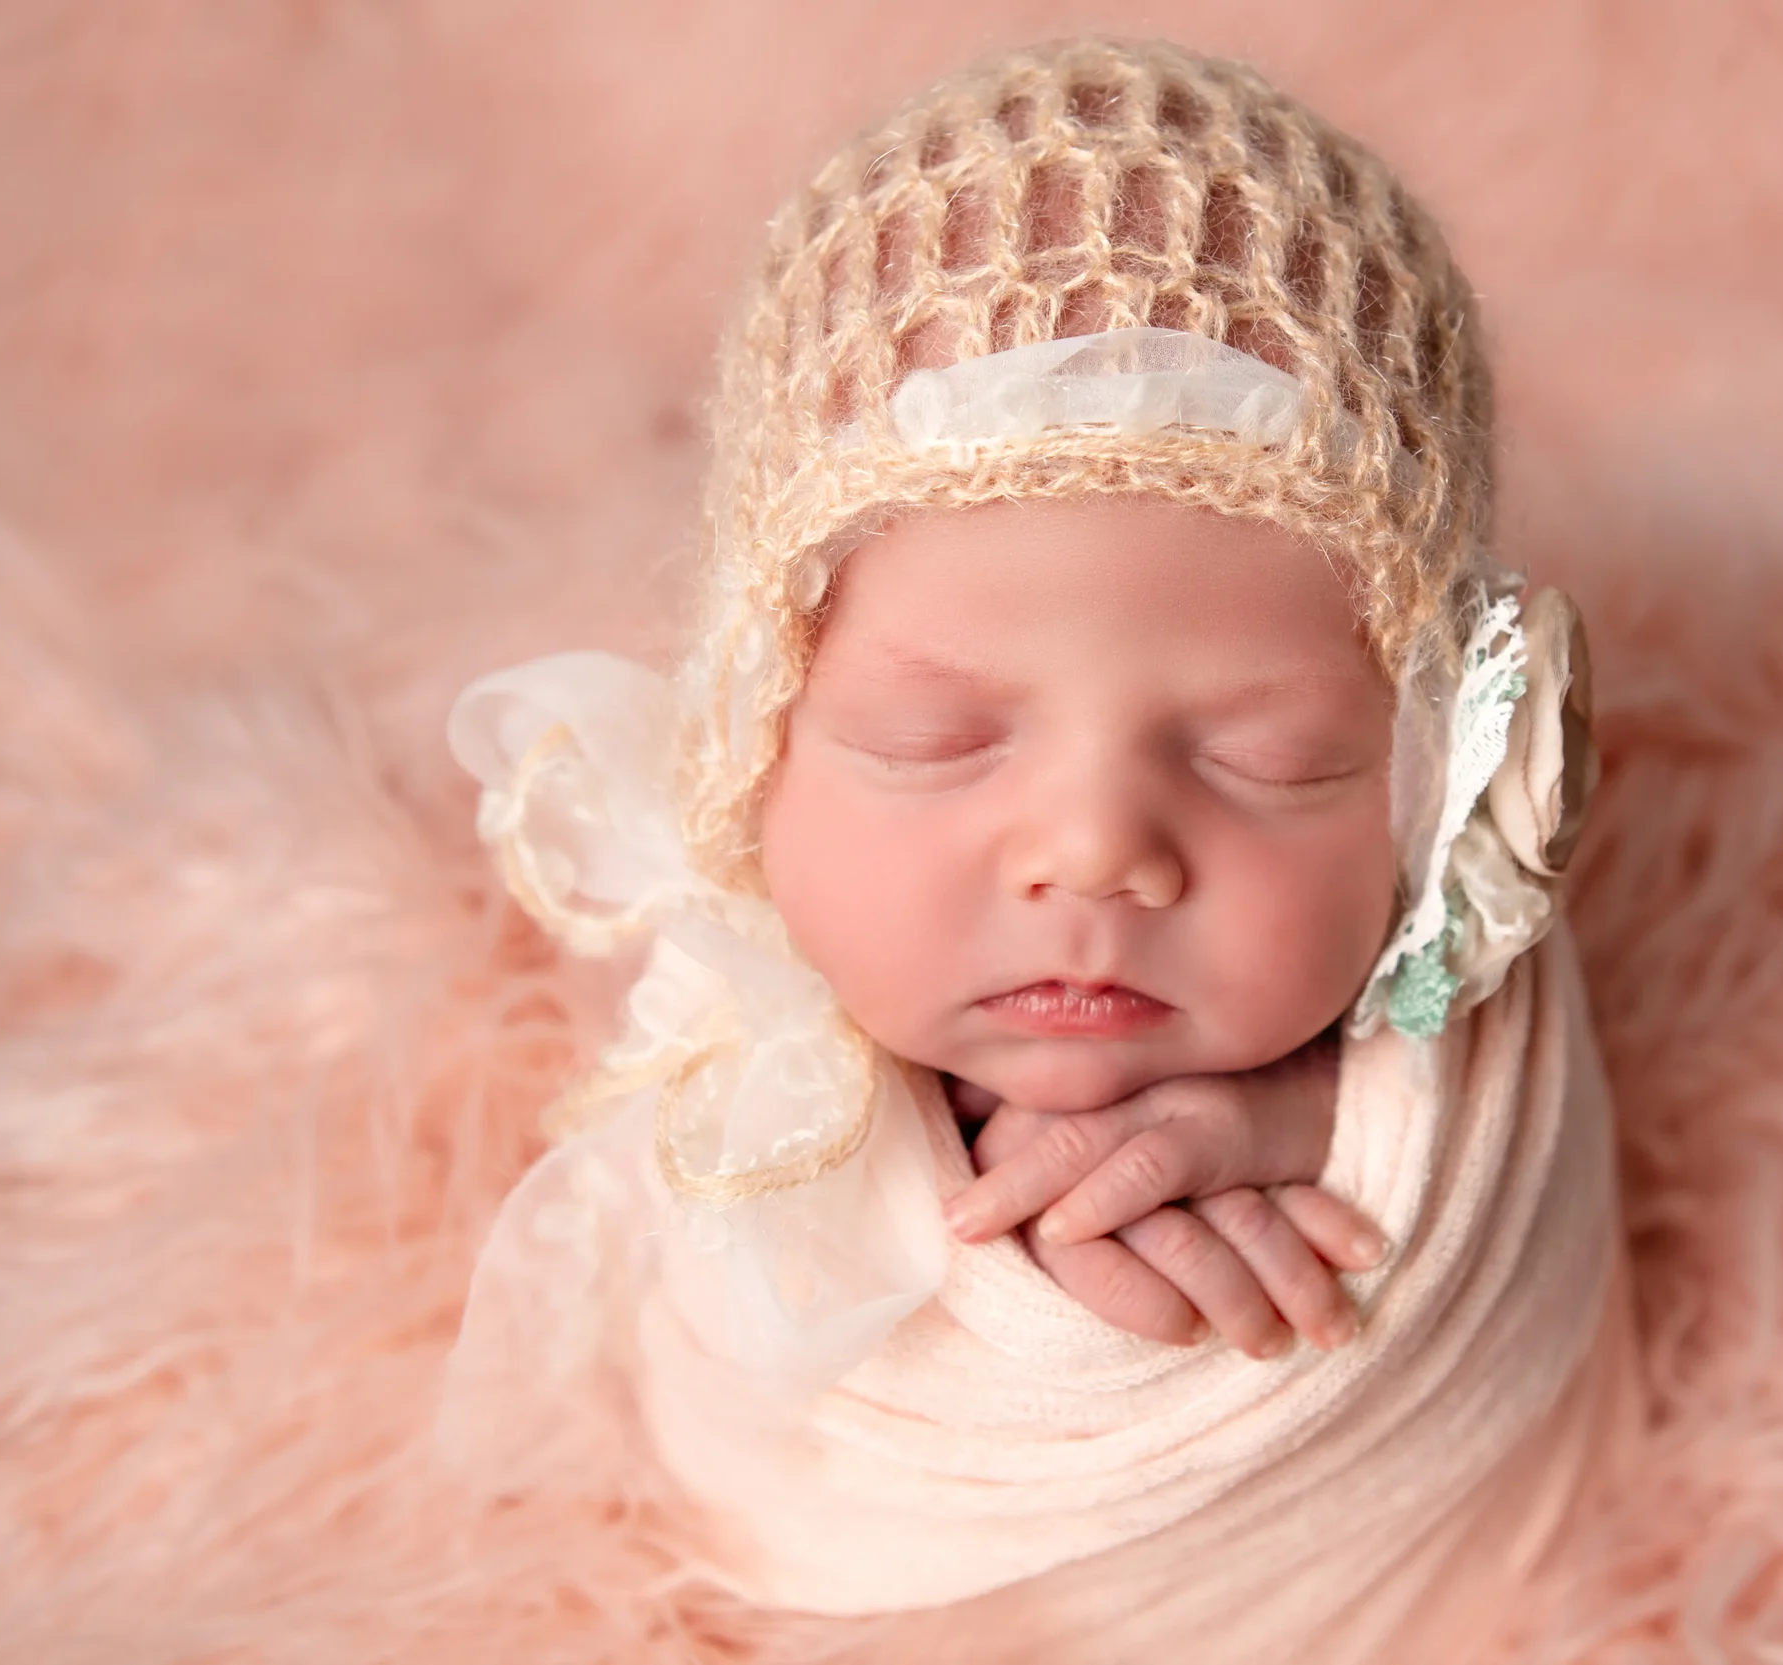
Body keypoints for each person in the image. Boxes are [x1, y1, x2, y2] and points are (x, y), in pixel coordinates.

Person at [438, 37, 1634, 1662]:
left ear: (1429, 782)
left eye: (1269, 758)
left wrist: (1312, 1124)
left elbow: (1497, 1167)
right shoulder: (718, 1031)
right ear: (758, 736)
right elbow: (708, 1355)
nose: (1093, 852)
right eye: (935, 741)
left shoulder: (1459, 974)